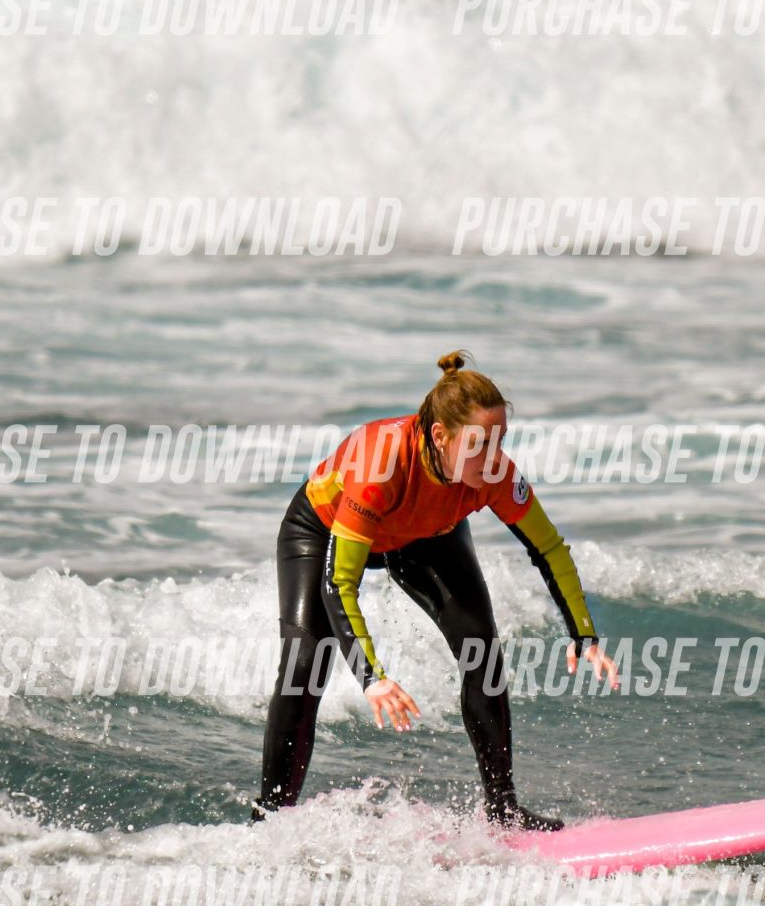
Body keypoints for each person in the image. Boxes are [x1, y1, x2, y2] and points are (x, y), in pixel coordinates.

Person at [257, 351, 620, 829]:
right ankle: (269, 820)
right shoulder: (381, 463)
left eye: (500, 441)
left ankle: (503, 809)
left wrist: (583, 634)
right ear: (440, 436)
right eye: (479, 444)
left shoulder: (492, 474)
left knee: (482, 649)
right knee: (305, 665)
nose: (493, 458)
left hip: (425, 534)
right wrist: (372, 677)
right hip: (322, 529)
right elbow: (340, 582)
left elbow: (549, 548)